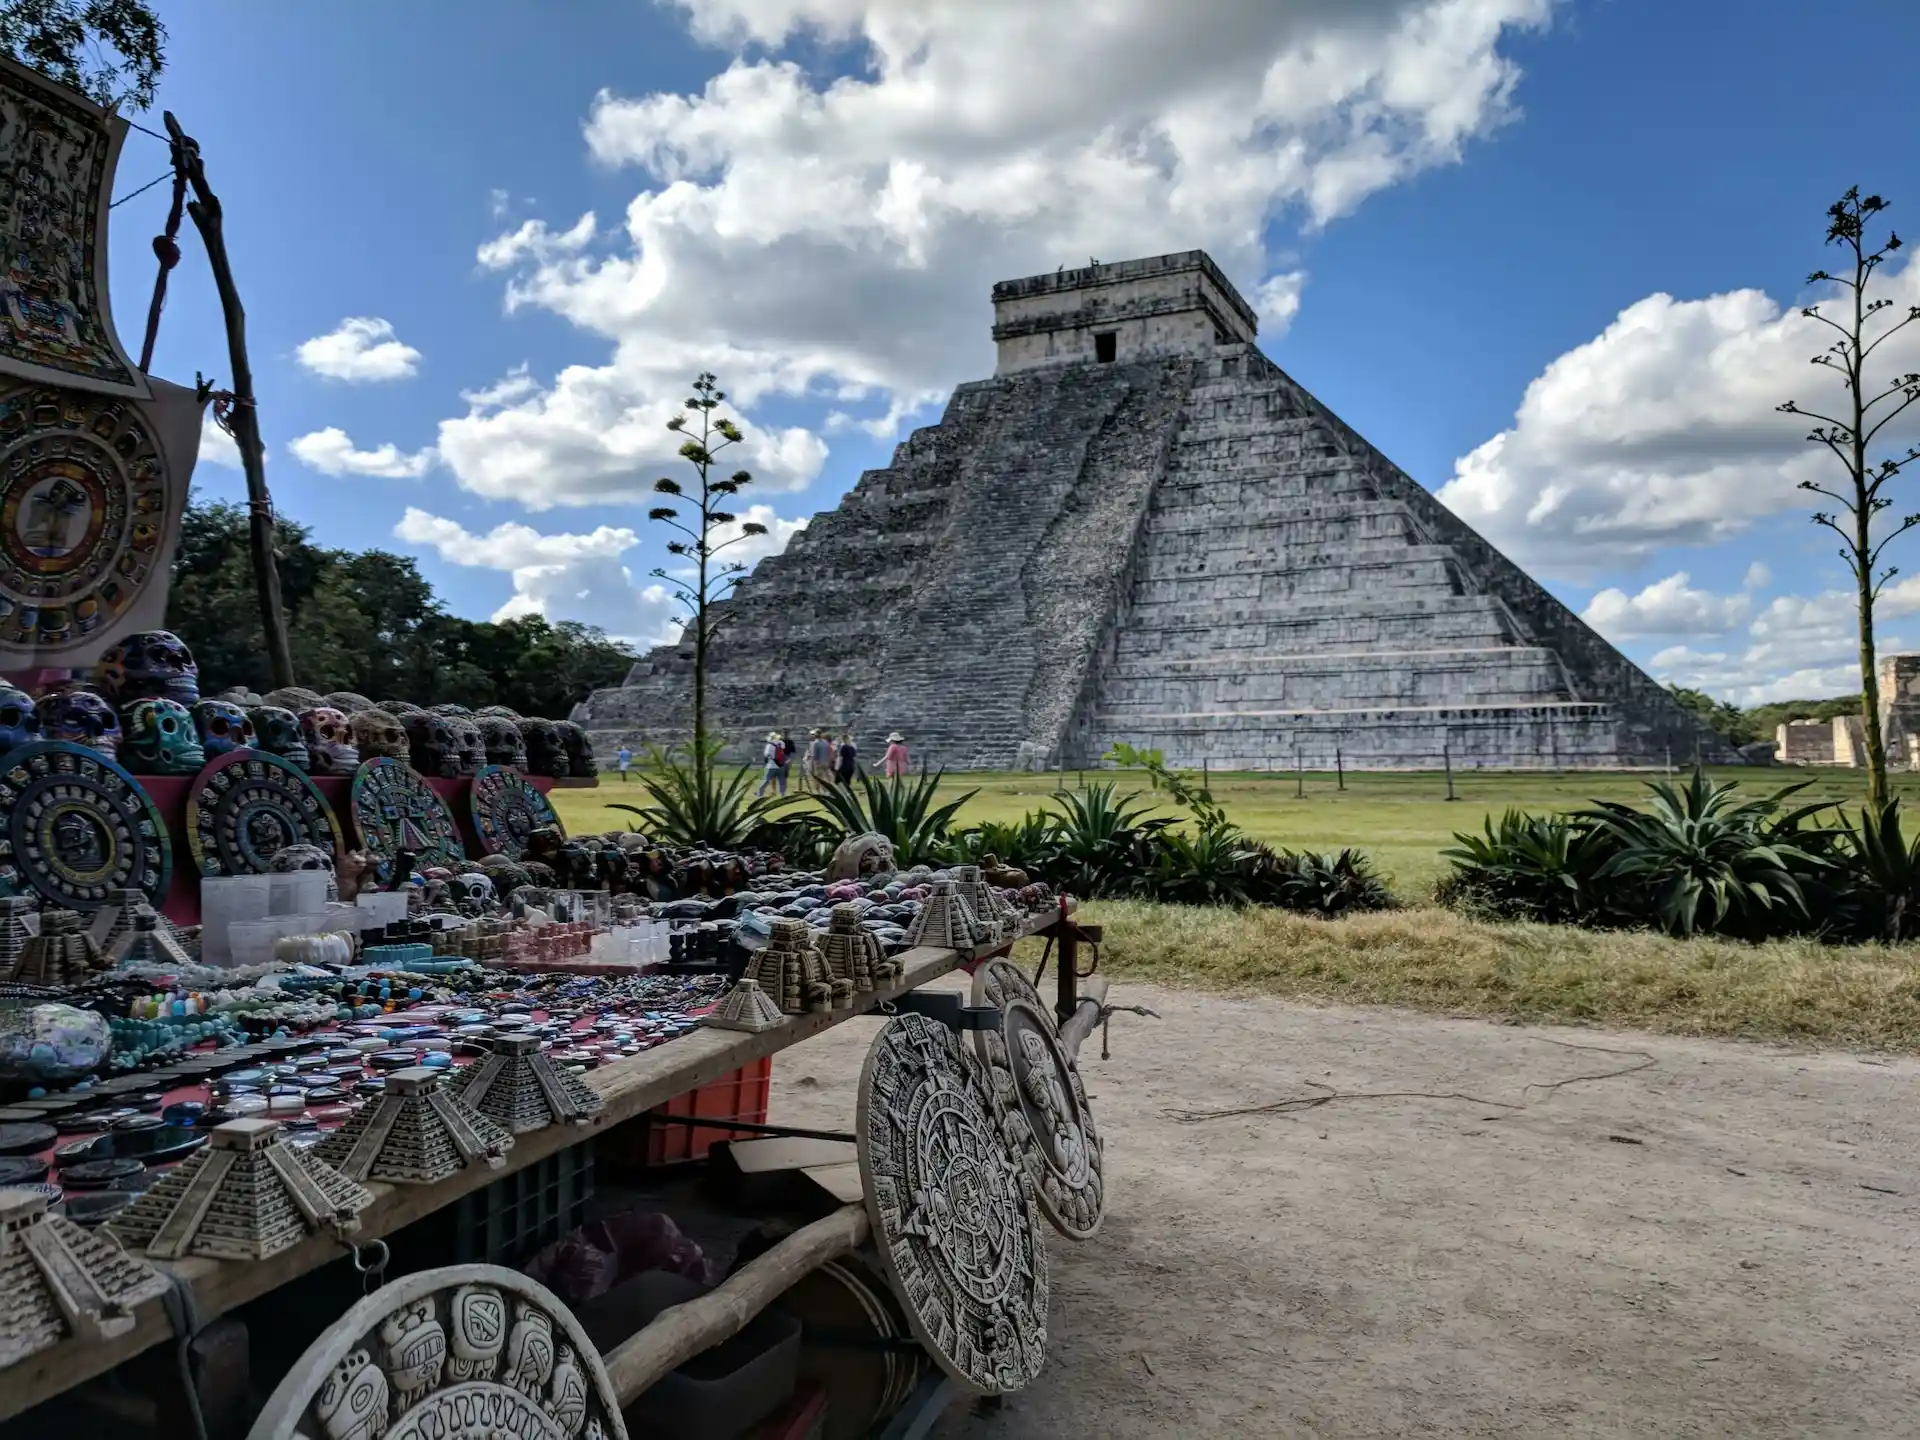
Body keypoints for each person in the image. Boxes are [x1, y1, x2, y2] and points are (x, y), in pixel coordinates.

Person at [755, 730, 787, 797]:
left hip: (772, 765)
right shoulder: (782, 743)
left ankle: (760, 793)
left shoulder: (769, 745)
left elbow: (766, 755)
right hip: (781, 764)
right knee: (782, 781)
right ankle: (782, 794)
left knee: (766, 780)